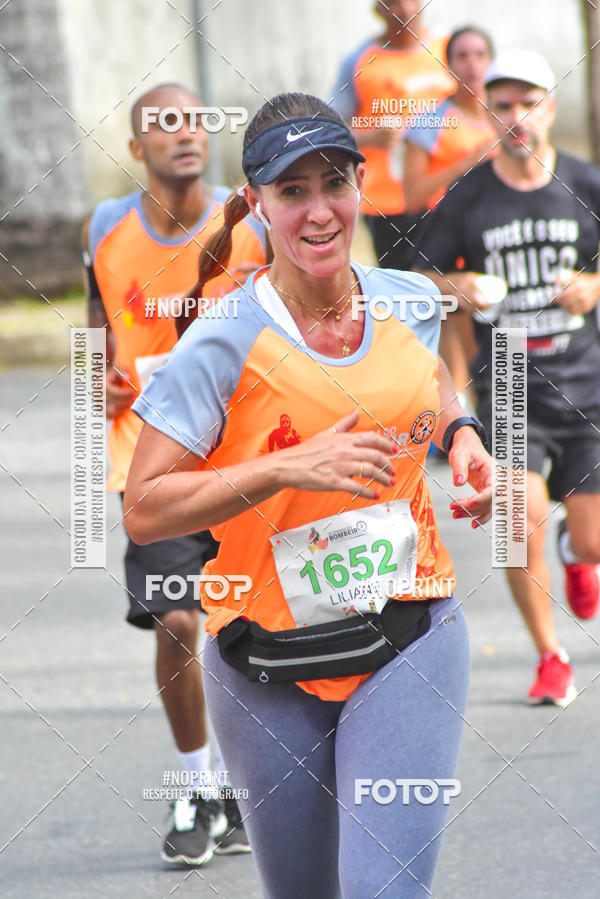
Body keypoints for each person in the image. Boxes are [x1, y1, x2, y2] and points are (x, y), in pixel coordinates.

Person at [124, 91, 493, 898]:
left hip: (410, 631)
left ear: (362, 184)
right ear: (256, 202)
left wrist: (463, 437)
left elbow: (426, 378)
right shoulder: (222, 338)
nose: (319, 211)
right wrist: (283, 469)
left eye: (334, 183)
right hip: (264, 661)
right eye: (292, 191)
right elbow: (144, 505)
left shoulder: (407, 299)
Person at [83, 82, 265, 866]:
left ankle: (237, 785)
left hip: (245, 458)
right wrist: (101, 377)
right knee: (178, 620)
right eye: (162, 124)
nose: (183, 134)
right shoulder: (105, 228)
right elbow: (97, 322)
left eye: (193, 120)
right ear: (138, 149)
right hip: (151, 463)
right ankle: (195, 785)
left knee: (241, 630)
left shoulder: (252, 221)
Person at [415, 49, 600, 706]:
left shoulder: (585, 181)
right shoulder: (468, 195)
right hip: (512, 389)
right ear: (487, 112)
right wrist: (454, 284)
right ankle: (551, 655)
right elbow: (418, 279)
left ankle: (579, 555)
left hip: (587, 388)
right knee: (516, 520)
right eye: (503, 105)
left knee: (592, 536)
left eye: (528, 103)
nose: (515, 116)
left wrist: (593, 285)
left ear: (549, 107)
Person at [404, 26, 497, 403]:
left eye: (479, 55)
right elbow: (412, 195)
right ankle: (458, 431)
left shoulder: (506, 115)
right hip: (443, 250)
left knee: (498, 356)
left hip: (494, 244)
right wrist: (467, 164)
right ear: (448, 64)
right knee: (459, 366)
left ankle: (503, 426)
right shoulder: (431, 120)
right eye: (462, 56)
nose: (472, 65)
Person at [330, 0, 455, 269]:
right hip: (388, 206)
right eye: (394, 3)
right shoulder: (360, 61)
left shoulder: (452, 51)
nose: (406, 9)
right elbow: (329, 131)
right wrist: (371, 137)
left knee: (457, 294)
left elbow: (482, 112)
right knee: (402, 295)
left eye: (411, 1)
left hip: (449, 196)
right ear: (378, 8)